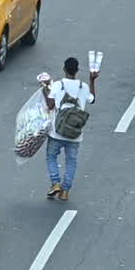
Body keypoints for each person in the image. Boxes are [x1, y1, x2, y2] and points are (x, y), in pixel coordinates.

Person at [42, 56, 98, 202]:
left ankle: (55, 183)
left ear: (64, 69)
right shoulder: (83, 87)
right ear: (77, 70)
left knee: (51, 156)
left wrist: (45, 88)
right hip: (75, 134)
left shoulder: (58, 85)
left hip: (57, 131)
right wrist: (92, 80)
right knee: (71, 161)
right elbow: (92, 99)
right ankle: (65, 191)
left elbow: (50, 105)